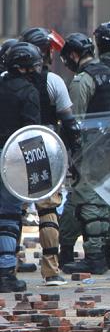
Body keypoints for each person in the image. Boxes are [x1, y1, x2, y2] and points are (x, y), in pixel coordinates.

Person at [59, 33, 110, 274]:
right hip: (109, 146)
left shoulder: (81, 81)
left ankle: (94, 257)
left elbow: (74, 121)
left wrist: (71, 153)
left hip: (88, 149)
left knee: (85, 200)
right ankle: (105, 253)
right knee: (109, 198)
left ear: (75, 55)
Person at [19, 27, 80, 284]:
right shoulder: (53, 81)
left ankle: (6, 265)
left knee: (10, 212)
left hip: (12, 153)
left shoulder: (3, 80)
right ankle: (51, 270)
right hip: (45, 150)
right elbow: (69, 122)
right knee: (47, 210)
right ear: (45, 53)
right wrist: (74, 149)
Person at [0, 43, 44, 292]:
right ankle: (5, 273)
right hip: (12, 159)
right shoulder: (28, 92)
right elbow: (31, 134)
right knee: (8, 216)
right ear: (25, 67)